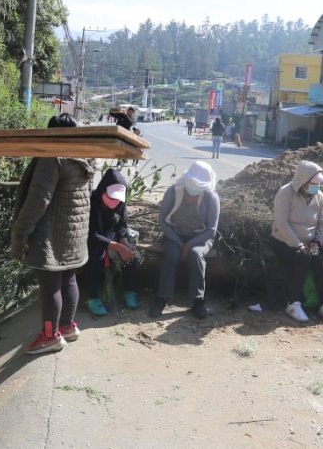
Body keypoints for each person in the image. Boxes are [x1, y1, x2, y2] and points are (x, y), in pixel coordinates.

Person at [11, 113, 97, 355]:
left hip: (50, 233)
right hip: (74, 233)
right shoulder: (86, 157)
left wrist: (19, 234)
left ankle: (50, 336)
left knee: (50, 287)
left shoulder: (53, 157)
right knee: (69, 278)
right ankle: (67, 326)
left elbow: (38, 200)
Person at [149, 161, 220, 319]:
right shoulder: (174, 191)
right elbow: (163, 221)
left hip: (200, 238)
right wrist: (180, 242)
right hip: (175, 235)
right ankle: (162, 297)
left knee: (196, 255)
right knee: (172, 255)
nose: (192, 194)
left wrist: (189, 245)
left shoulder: (212, 198)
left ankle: (198, 300)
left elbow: (211, 230)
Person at [272, 161, 323, 324]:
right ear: (303, 181)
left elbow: (322, 222)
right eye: (313, 183)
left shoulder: (320, 197)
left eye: (318, 183)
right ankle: (293, 303)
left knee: (319, 261)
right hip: (285, 241)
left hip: (310, 243)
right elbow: (281, 223)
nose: (317, 187)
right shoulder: (285, 193)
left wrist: (317, 242)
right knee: (303, 259)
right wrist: (298, 244)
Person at [83, 168, 139, 317]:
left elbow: (121, 225)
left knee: (132, 254)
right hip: (93, 238)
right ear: (103, 190)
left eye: (118, 199)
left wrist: (124, 241)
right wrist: (116, 246)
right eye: (111, 197)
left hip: (111, 235)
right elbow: (91, 234)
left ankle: (130, 291)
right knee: (96, 257)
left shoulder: (121, 203)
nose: (114, 202)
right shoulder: (91, 202)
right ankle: (93, 297)